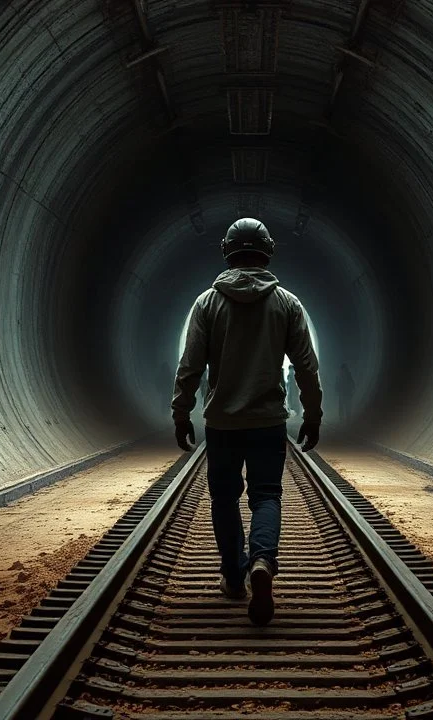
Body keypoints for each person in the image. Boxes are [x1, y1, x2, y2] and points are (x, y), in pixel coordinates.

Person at [172, 217, 322, 626]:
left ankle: (234, 578)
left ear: (226, 252)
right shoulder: (288, 304)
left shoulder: (206, 303)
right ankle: (261, 561)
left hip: (222, 423)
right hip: (268, 421)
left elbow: (190, 366)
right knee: (266, 495)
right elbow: (306, 367)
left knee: (224, 499)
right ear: (268, 252)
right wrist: (312, 414)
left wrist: (181, 412)